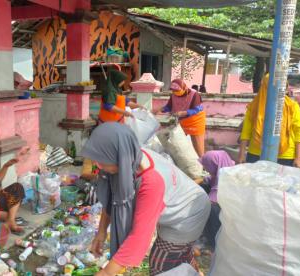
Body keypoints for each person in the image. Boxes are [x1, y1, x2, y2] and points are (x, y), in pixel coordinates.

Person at [82, 123, 210, 276]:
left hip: (188, 214)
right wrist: (101, 232)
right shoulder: (128, 158)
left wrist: (106, 273)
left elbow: (139, 238)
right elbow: (112, 198)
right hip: (176, 203)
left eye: (102, 160)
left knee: (160, 265)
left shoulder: (151, 182)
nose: (98, 165)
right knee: (177, 256)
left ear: (119, 155)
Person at [238, 74, 300, 167]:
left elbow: (299, 131)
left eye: (281, 86)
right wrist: (241, 154)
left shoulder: (292, 106)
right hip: (256, 153)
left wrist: (299, 158)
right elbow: (246, 131)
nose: (276, 90)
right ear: (265, 87)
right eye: (272, 87)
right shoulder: (254, 106)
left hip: (285, 155)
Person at [153, 79, 206, 157]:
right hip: (182, 120)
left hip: (195, 121)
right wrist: (160, 110)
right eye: (173, 91)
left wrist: (184, 113)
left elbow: (197, 109)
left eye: (177, 91)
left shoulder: (194, 94)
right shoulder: (174, 95)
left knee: (198, 146)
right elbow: (169, 107)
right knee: (178, 142)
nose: (175, 93)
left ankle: (203, 163)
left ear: (183, 87)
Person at [199, 150, 235, 249]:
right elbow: (210, 178)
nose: (206, 169)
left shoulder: (226, 178)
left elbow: (216, 196)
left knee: (209, 206)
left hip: (224, 204)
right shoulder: (226, 167)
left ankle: (214, 243)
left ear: (214, 165)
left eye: (207, 166)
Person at [0, 156, 29, 235]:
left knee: (17, 187)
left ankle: (10, 219)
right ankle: (10, 218)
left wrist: (5, 166)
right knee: (8, 213)